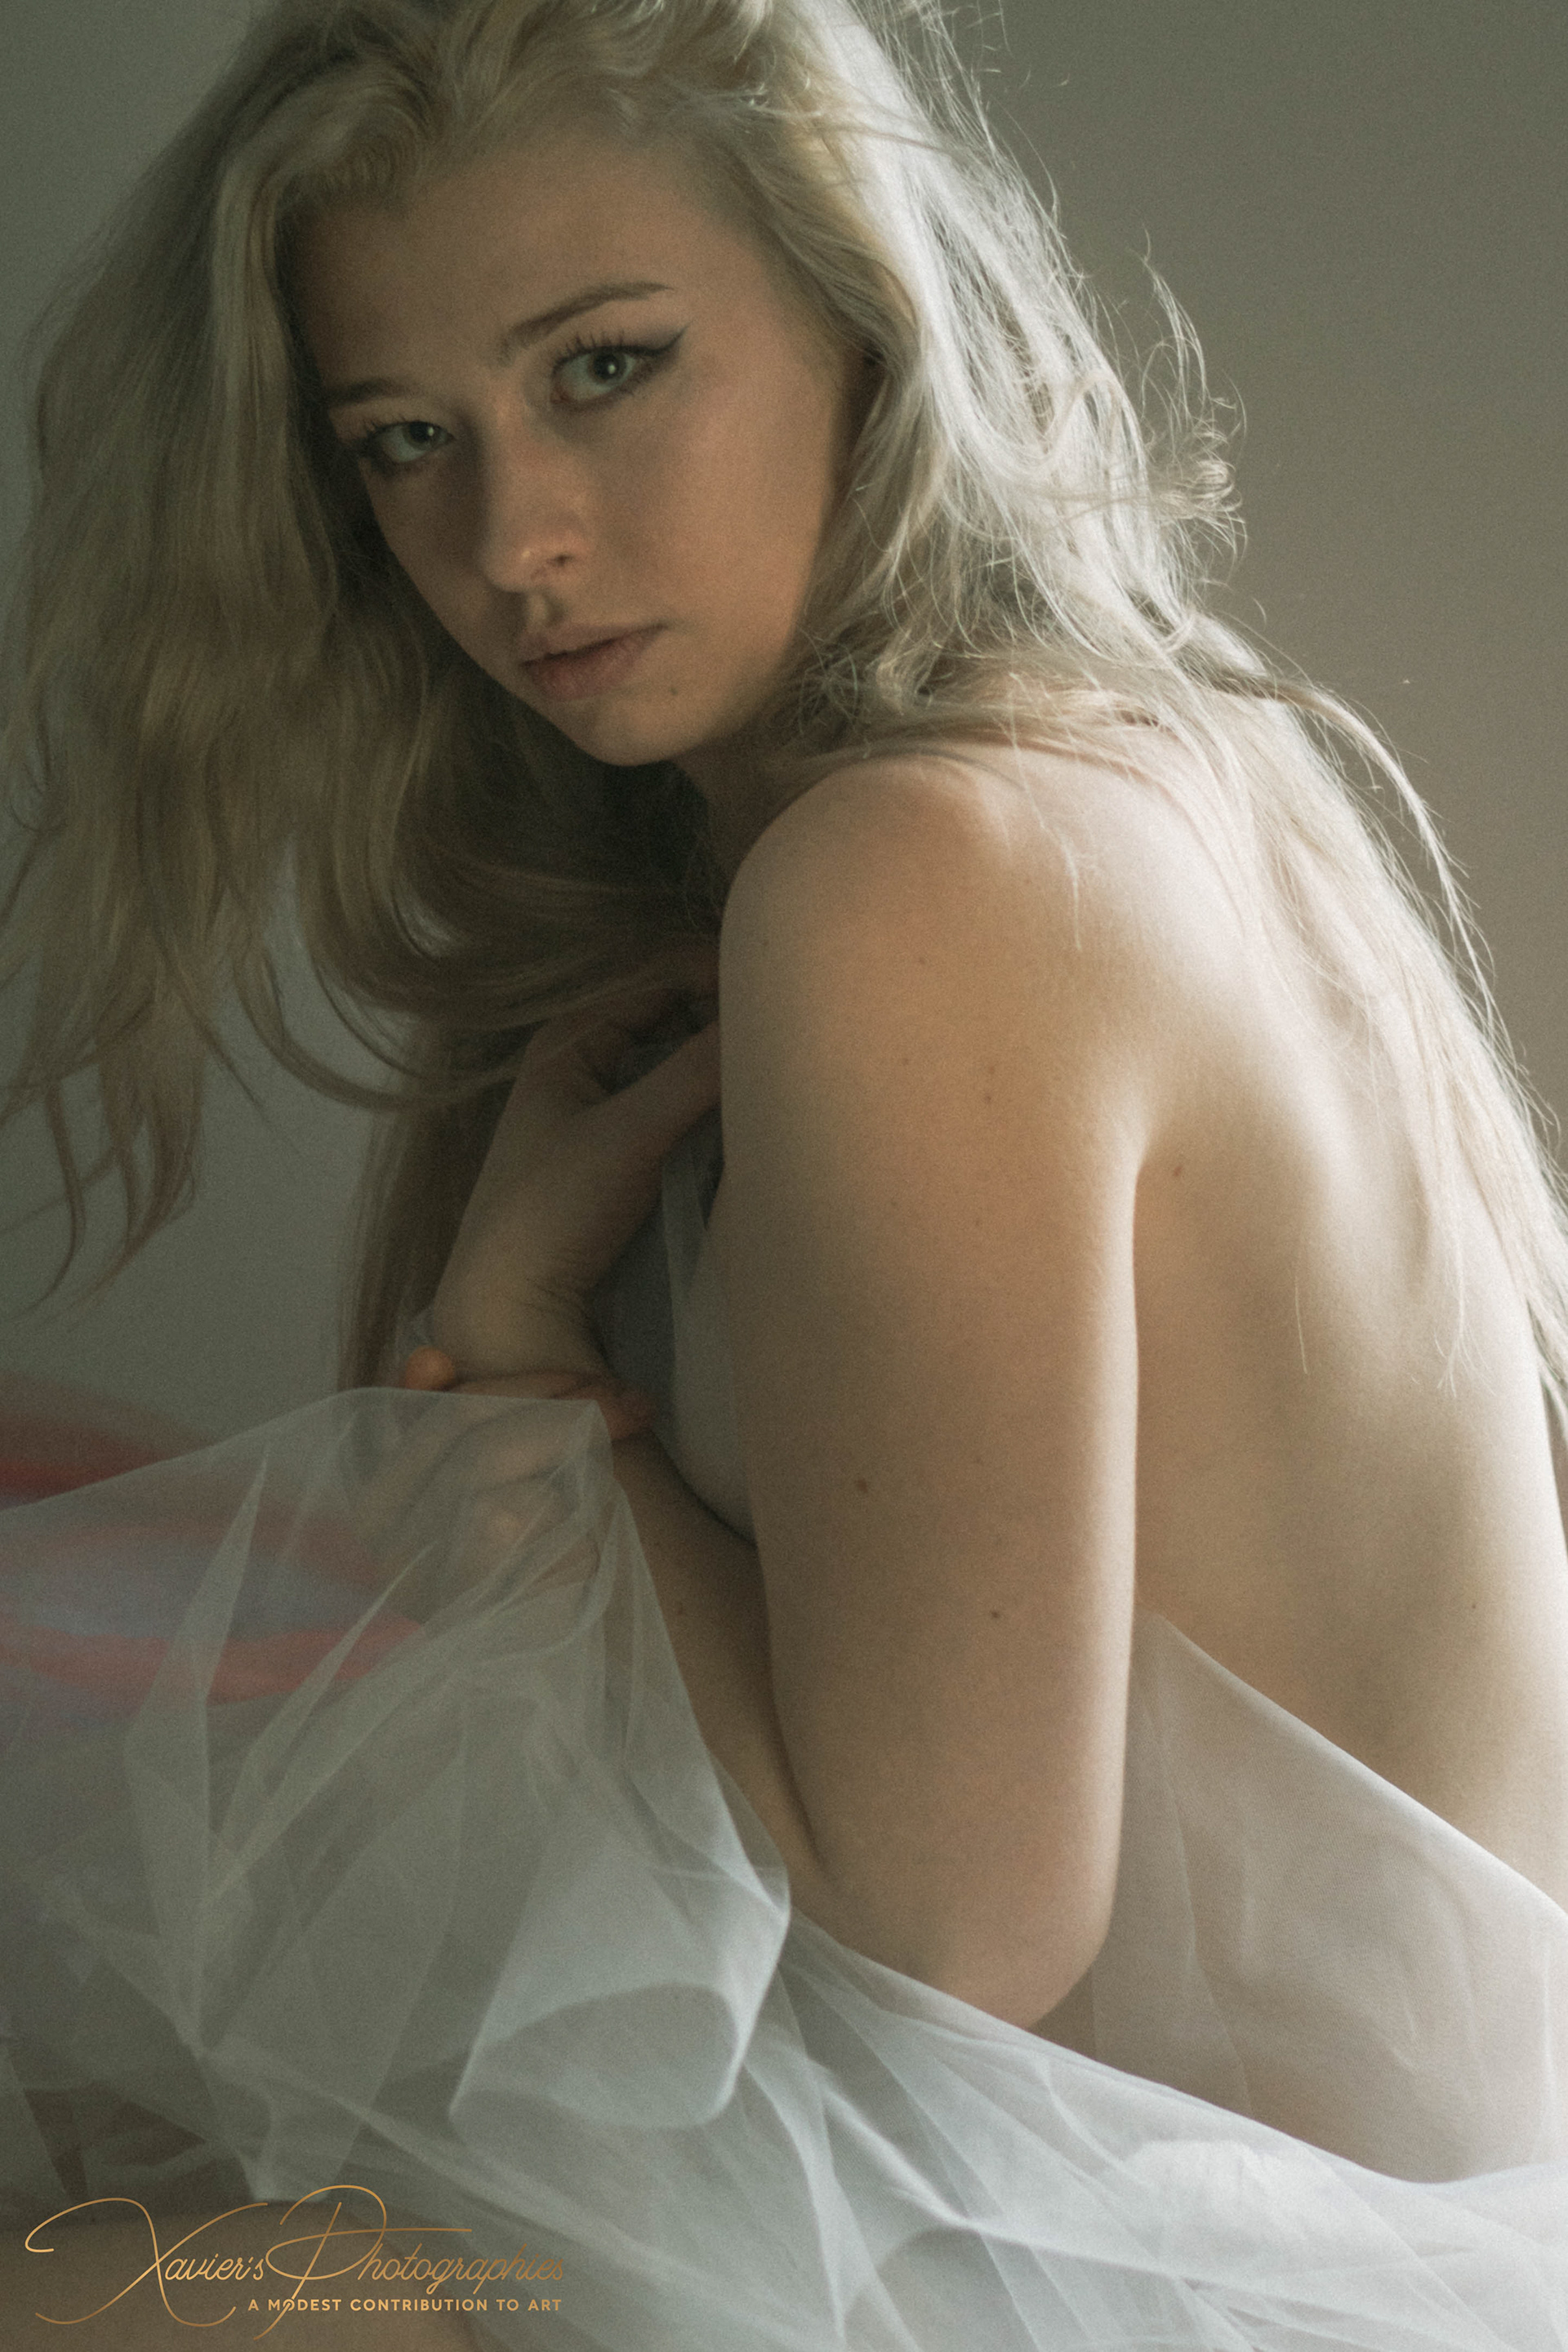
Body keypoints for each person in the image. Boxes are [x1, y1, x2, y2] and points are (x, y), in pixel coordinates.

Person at [2, 0, 1567, 2344]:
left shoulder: (923, 876)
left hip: (1158, 2273)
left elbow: (949, 1936)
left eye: (609, 367)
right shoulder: (1124, 774)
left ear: (858, 309)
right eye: (407, 439)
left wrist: (515, 1373)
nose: (513, 539)